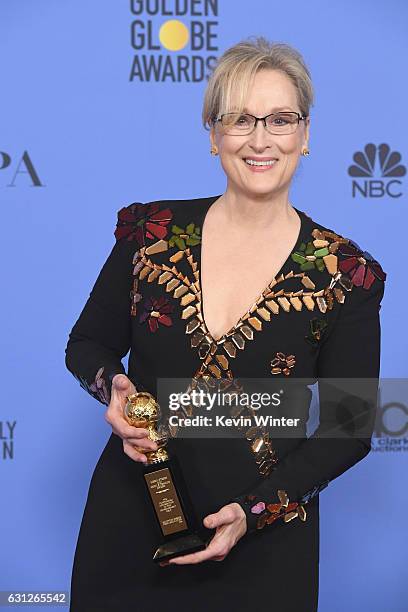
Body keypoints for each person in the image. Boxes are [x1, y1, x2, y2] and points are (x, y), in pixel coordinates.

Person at [65, 36, 386, 612]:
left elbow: (350, 427)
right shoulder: (152, 234)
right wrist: (110, 388)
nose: (260, 139)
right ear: (214, 136)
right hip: (129, 525)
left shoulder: (347, 274)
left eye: (280, 119)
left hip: (264, 545)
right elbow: (87, 342)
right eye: (240, 119)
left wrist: (255, 511)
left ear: (305, 135)